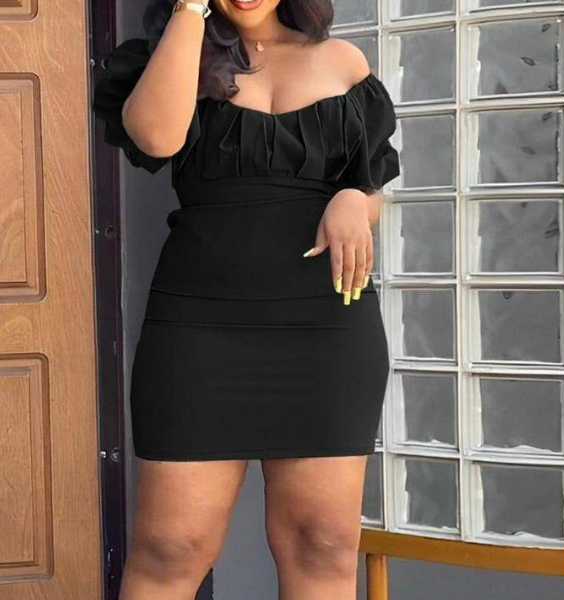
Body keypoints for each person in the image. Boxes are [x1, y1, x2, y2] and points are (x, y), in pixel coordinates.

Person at [93, 0, 400, 598]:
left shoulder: (344, 62)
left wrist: (352, 201)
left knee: (322, 543)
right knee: (170, 547)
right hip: (198, 328)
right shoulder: (172, 57)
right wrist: (190, 10)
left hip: (326, 328)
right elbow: (156, 137)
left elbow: (371, 184)